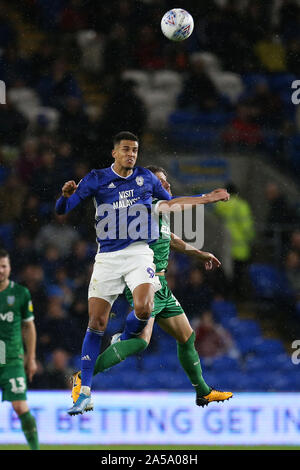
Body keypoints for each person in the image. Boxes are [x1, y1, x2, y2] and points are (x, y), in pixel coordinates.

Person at [55, 131, 230, 415]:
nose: (131, 154)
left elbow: (171, 236)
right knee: (134, 338)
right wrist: (206, 198)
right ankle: (88, 375)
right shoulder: (141, 201)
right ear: (115, 152)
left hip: (152, 276)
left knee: (185, 336)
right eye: (161, 181)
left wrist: (199, 253)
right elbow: (66, 208)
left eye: (135, 150)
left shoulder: (150, 199)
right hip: (127, 267)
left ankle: (202, 391)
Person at [0, 249, 39, 450]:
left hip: (13, 359)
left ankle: (35, 449)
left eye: (4, 266)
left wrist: (31, 358)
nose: (1, 270)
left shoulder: (20, 294)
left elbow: (28, 326)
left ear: (10, 268)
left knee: (20, 406)